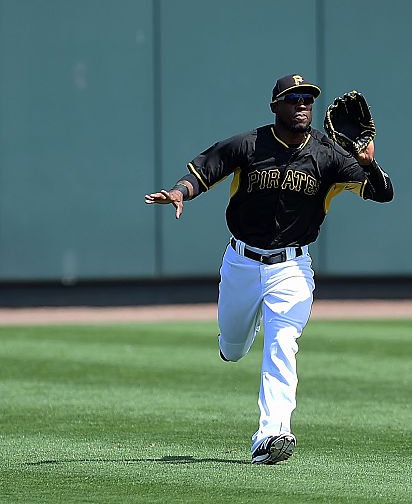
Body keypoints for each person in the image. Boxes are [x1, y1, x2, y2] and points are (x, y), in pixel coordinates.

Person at [144, 74, 394, 465]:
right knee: (233, 346)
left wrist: (369, 163)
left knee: (282, 344)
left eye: (307, 99)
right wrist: (179, 193)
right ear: (274, 105)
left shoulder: (328, 155)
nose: (302, 104)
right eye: (292, 98)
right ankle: (242, 333)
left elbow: (382, 193)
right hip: (241, 262)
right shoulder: (248, 144)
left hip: (291, 269)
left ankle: (272, 435)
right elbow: (203, 172)